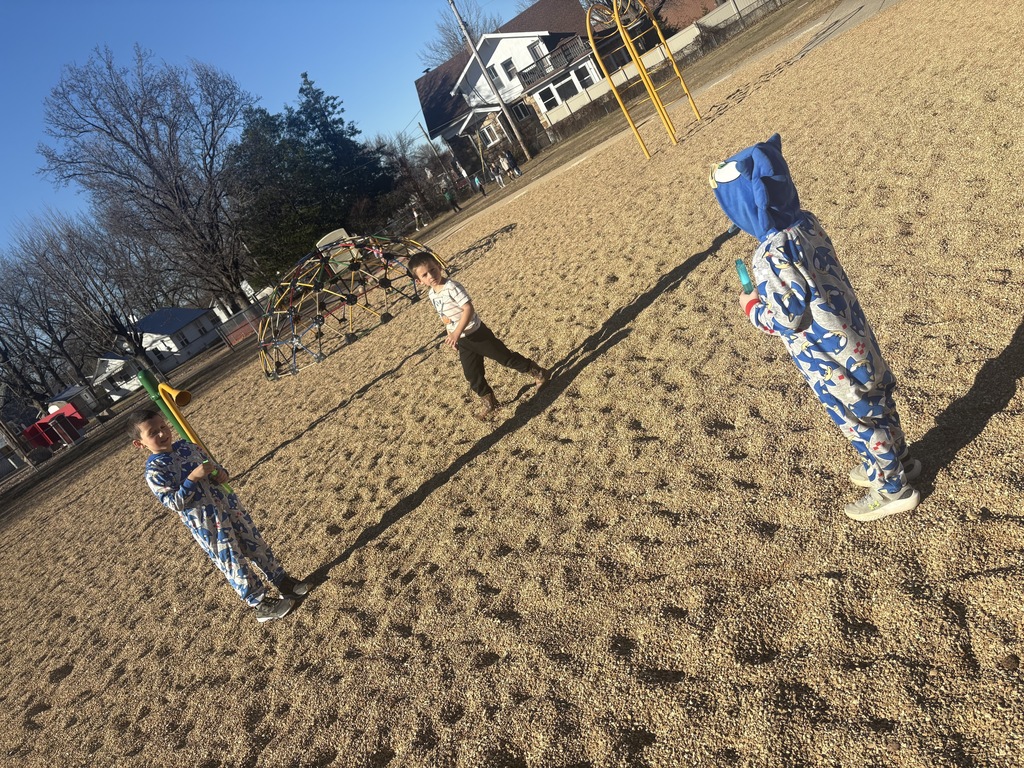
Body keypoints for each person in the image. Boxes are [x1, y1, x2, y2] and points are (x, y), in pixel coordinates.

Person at [708, 134, 921, 522]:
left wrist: (753, 307)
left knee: (857, 418)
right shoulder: (806, 223)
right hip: (855, 335)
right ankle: (899, 460)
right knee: (876, 399)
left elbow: (787, 319)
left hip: (826, 357)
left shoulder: (769, 255)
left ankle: (893, 489)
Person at [128, 408, 309, 622]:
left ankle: (281, 580)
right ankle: (259, 603)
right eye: (153, 433)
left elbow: (214, 468)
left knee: (254, 542)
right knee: (231, 558)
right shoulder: (154, 471)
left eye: (163, 426)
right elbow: (173, 502)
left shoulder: (188, 447)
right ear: (140, 444)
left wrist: (221, 474)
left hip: (228, 506)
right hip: (206, 522)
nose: (162, 433)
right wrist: (192, 479)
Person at [408, 253, 550, 421]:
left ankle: (538, 372)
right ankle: (490, 402)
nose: (431, 276)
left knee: (505, 358)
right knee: (472, 374)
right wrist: (451, 335)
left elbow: (468, 309)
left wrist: (457, 332)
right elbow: (445, 317)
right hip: (463, 340)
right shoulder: (432, 294)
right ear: (419, 281)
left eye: (432, 269)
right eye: (425, 275)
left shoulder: (451, 287)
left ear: (439, 266)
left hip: (478, 334)